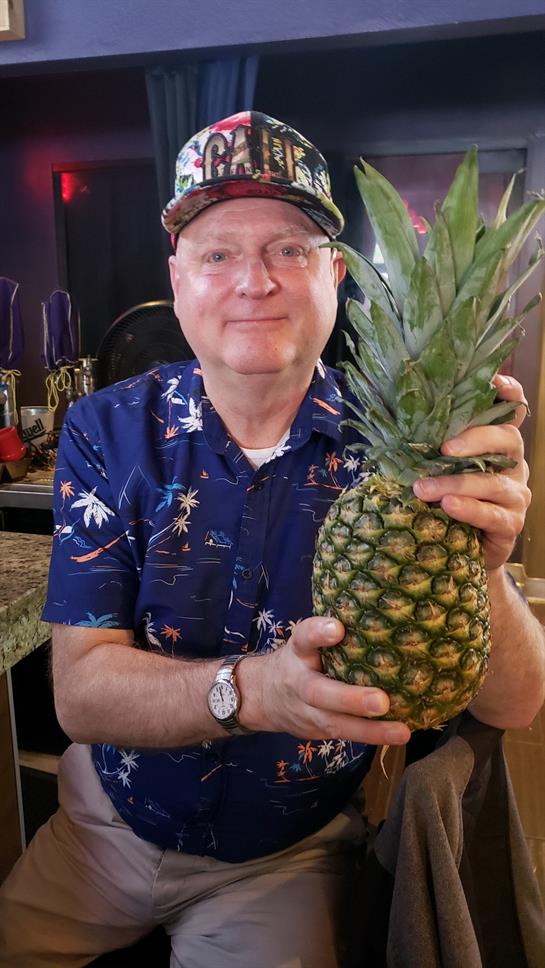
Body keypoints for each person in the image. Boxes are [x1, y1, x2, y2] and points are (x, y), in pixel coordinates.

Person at [1, 111, 544, 968]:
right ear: (178, 281)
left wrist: (487, 566)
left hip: (286, 856)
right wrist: (255, 693)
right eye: (216, 253)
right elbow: (82, 694)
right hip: (103, 829)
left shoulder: (404, 446)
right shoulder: (106, 428)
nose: (253, 281)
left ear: (334, 273)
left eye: (289, 249)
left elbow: (512, 707)